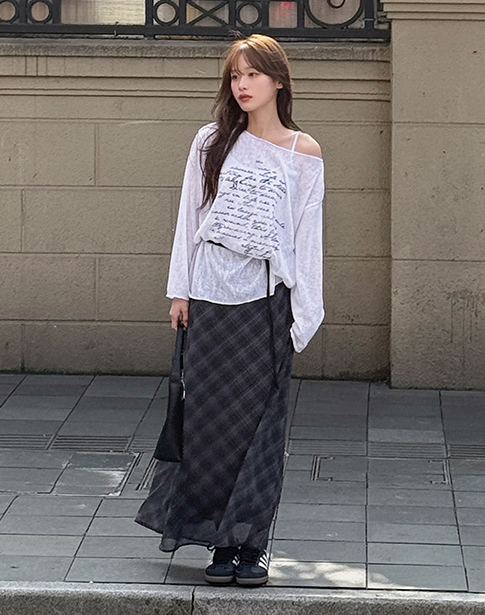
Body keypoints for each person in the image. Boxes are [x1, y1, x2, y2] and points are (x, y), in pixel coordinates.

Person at [135, 33, 324, 587]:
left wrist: (305, 315)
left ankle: (252, 542)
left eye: (252, 74)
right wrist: (180, 291)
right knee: (209, 425)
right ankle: (219, 541)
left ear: (278, 81)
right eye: (235, 76)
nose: (242, 85)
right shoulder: (211, 141)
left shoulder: (303, 152)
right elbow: (189, 218)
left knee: (261, 428)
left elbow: (307, 238)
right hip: (210, 298)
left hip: (266, 304)